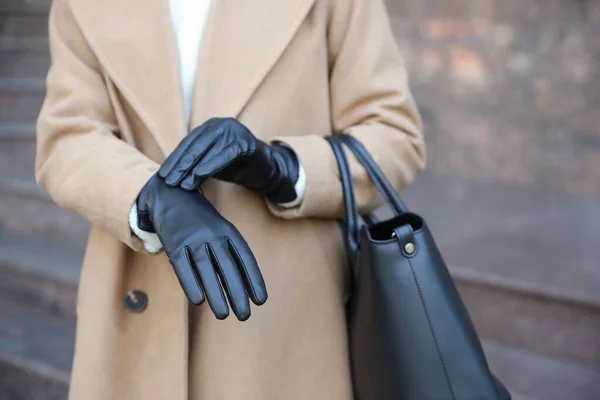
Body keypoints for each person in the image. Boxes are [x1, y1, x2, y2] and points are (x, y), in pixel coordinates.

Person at [35, 0, 426, 398]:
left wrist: (282, 167)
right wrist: (146, 195)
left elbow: (394, 134)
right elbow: (67, 136)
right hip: (134, 304)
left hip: (281, 319)